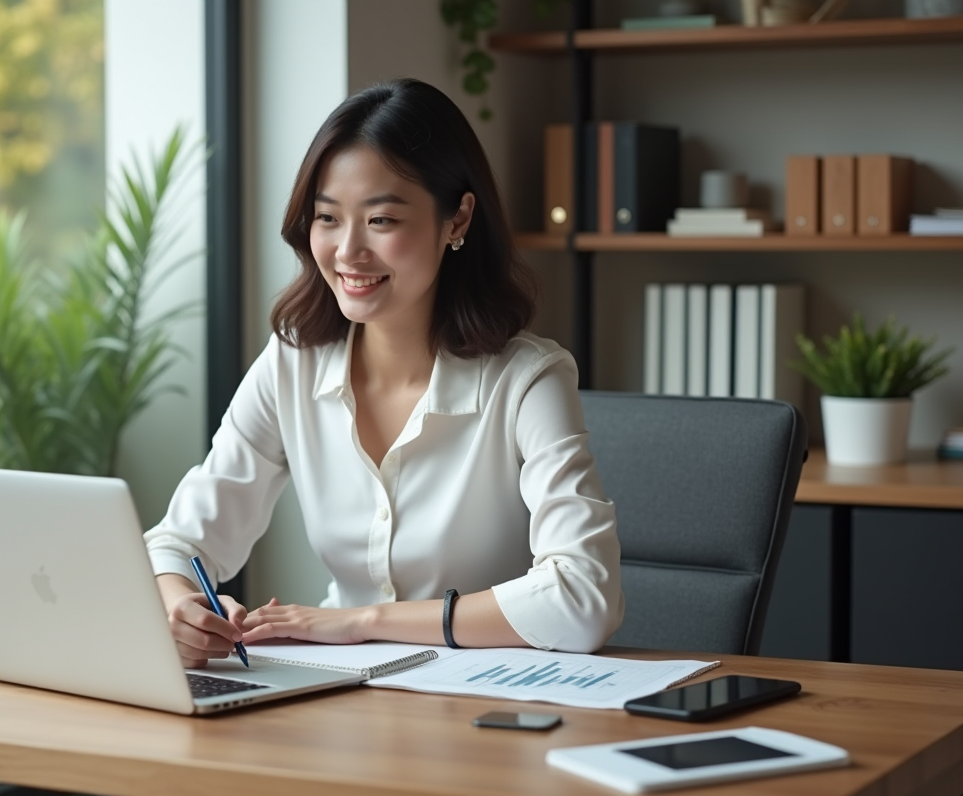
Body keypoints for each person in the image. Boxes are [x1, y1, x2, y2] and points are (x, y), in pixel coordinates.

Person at [146, 78, 622, 668]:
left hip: (491, 707)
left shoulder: (528, 381)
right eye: (327, 217)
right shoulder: (291, 364)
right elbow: (177, 542)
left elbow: (585, 598)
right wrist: (178, 608)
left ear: (457, 219)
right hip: (340, 698)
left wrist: (361, 623)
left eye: (381, 221)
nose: (347, 251)